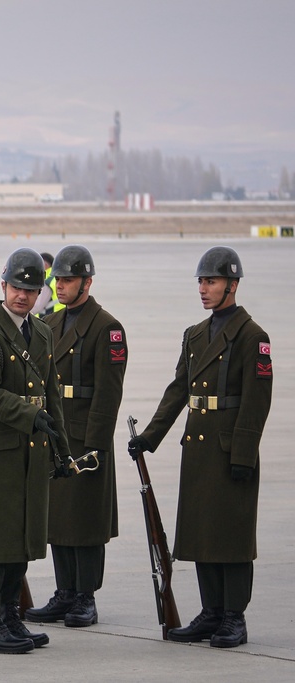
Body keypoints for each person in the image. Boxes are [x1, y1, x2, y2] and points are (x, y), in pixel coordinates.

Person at [129, 246, 271, 649]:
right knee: (204, 532)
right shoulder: (194, 334)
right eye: (201, 282)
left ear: (232, 284)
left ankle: (233, 617)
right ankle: (211, 613)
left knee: (232, 535)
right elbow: (179, 390)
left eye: (211, 281)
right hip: (198, 449)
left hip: (230, 449)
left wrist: (244, 453)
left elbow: (257, 400)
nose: (204, 289)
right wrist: (150, 437)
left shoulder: (251, 335)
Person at [0, 247, 71, 654]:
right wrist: (29, 414)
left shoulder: (41, 332)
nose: (23, 296)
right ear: (2, 285)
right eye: (16, 288)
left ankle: (8, 615)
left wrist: (61, 448)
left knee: (21, 536)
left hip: (32, 449)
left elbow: (51, 392)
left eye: (31, 289)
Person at [26, 245, 126, 628]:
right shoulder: (50, 324)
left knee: (84, 522)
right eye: (58, 280)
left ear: (87, 281)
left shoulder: (106, 328)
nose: (60, 286)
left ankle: (86, 596)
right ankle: (64, 592)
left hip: (85, 439)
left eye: (67, 280)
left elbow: (108, 392)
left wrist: (97, 446)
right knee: (59, 520)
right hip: (56, 432)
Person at [30, 252, 61, 317]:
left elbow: (37, 307)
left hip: (48, 320)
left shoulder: (46, 281)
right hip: (60, 317)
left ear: (45, 265)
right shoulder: (56, 277)